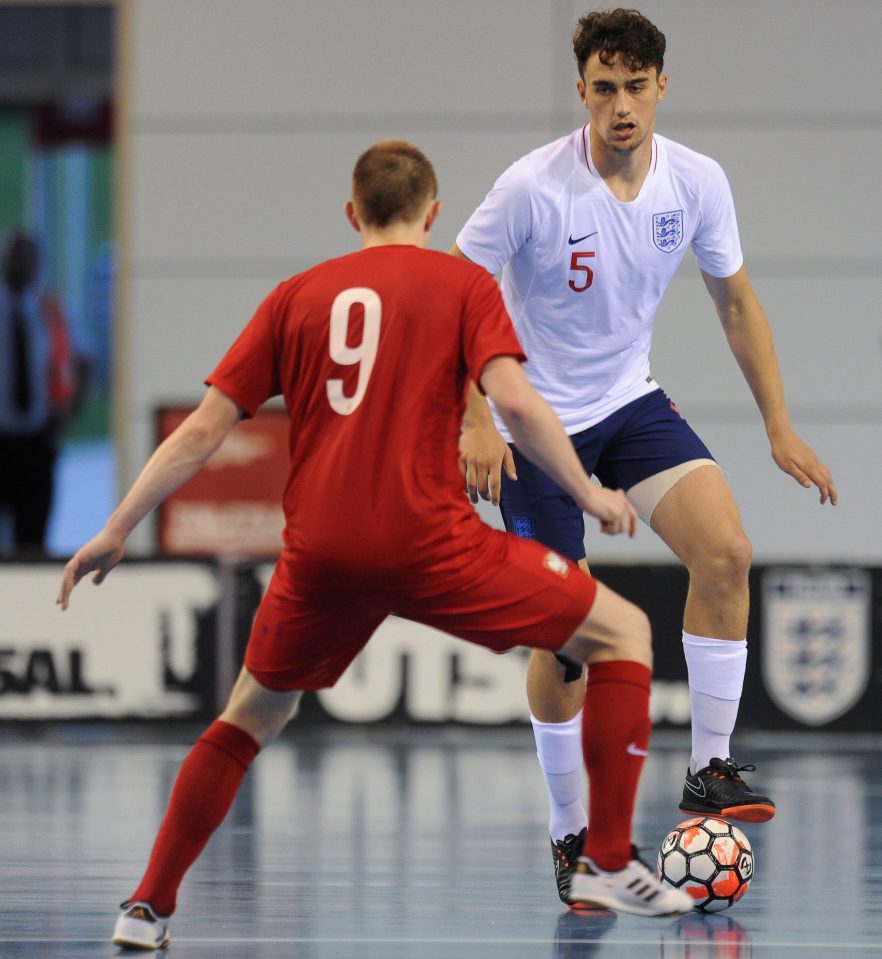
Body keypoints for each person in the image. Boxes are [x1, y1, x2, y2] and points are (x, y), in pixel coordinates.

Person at [57, 140, 693, 949]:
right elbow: (519, 406)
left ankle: (146, 906)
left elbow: (204, 431)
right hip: (429, 543)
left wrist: (116, 528)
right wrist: (587, 490)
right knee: (623, 631)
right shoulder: (463, 284)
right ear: (433, 215)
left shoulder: (296, 296)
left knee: (248, 715)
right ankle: (603, 855)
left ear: (352, 213)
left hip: (319, 554)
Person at [451, 8, 837, 904]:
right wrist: (472, 415)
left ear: (662, 87)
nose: (620, 105)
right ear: (580, 90)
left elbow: (737, 305)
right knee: (569, 638)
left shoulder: (697, 182)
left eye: (635, 87)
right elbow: (454, 296)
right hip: (535, 427)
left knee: (728, 551)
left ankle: (709, 769)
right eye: (603, 88)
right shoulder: (532, 187)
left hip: (629, 404)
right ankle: (567, 829)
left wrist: (778, 425)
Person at [0, 231, 85, 555]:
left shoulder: (53, 312)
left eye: (26, 258)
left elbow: (80, 360)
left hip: (36, 442)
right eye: (13, 257)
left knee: (32, 540)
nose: (18, 265)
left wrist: (66, 414)